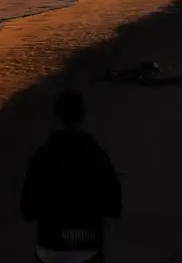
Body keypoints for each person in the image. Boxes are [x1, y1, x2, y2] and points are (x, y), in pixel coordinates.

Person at [20, 91, 122, 263]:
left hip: (49, 244)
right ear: (82, 116)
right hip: (87, 246)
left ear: (56, 117)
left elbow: (27, 209)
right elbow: (114, 206)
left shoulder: (43, 156)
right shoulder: (96, 154)